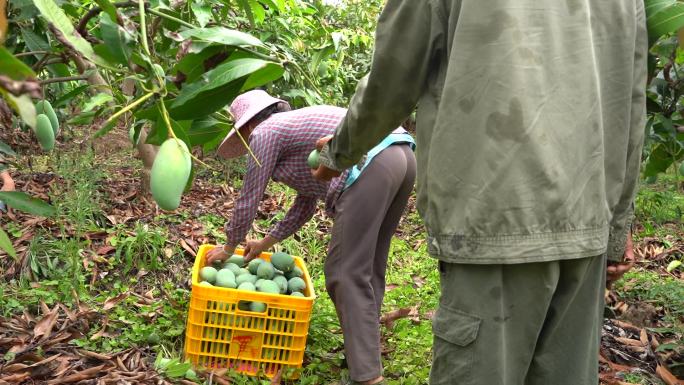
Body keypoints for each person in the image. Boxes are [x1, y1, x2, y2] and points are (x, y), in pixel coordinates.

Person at [312, 1, 646, 384]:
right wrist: (618, 228)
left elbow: (394, 73)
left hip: (495, 215)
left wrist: (340, 150)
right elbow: (630, 103)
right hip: (586, 221)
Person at [205, 90, 416, 385]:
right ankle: (365, 354)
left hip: (371, 161)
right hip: (402, 155)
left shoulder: (266, 132)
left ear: (248, 125)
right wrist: (265, 243)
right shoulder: (293, 131)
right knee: (368, 268)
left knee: (343, 272)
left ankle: (368, 377)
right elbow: (305, 203)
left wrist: (229, 246)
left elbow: (248, 197)